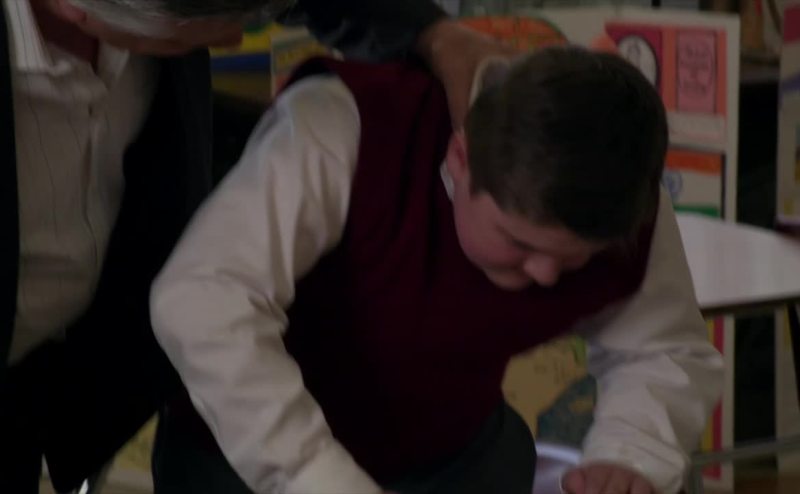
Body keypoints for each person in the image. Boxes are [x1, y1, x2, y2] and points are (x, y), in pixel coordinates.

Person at [150, 47, 724, 494]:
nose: (548, 276)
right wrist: (318, 477)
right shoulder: (345, 124)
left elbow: (662, 348)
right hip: (244, 452)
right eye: (518, 242)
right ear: (460, 158)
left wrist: (630, 453)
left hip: (456, 456)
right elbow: (203, 300)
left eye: (576, 256)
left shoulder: (620, 196)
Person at [0, 0, 513, 492]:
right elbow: (199, 309)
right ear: (74, 7)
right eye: (182, 39)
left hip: (86, 373)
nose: (232, 39)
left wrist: (436, 35)